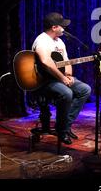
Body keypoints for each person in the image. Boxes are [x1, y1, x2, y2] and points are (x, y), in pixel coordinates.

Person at [32, 12, 91, 145]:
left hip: (59, 77)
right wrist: (62, 78)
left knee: (84, 89)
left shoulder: (60, 41)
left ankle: (65, 126)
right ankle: (62, 130)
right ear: (54, 27)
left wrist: (68, 76)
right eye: (61, 26)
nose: (64, 29)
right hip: (45, 80)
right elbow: (46, 62)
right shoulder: (41, 40)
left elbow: (66, 61)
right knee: (67, 93)